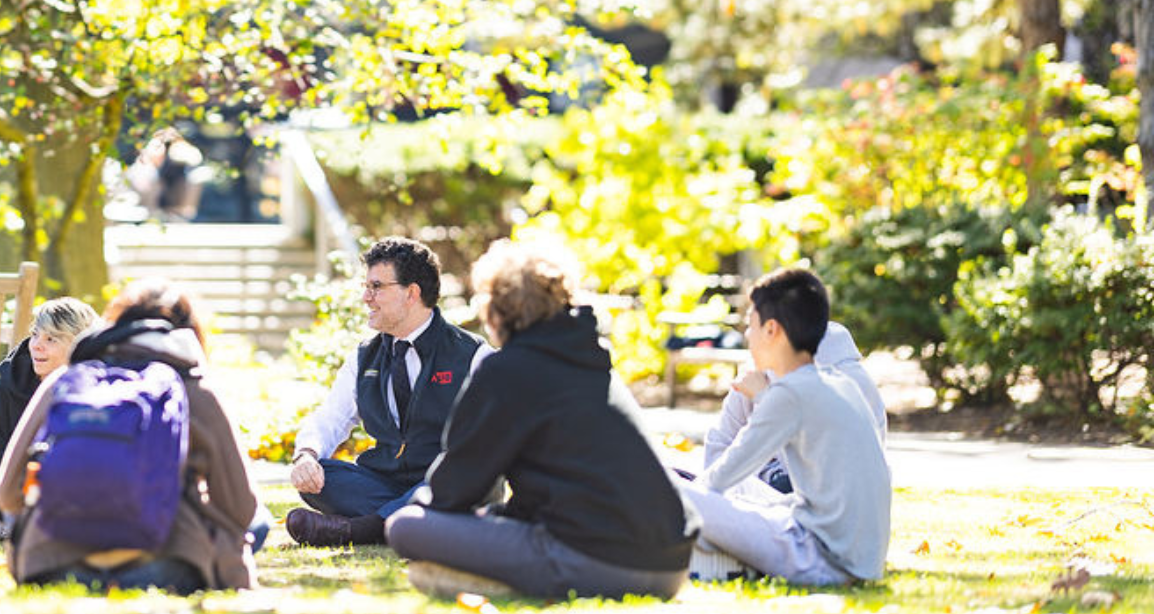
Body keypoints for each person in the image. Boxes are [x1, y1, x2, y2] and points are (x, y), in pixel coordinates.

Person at [386, 240, 697, 601]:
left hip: (595, 560)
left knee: (406, 526)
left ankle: (498, 584)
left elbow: (452, 491)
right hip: (670, 566)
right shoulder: (593, 362)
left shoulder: (505, 369)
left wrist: (430, 504)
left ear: (496, 310)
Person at [0, 280, 259, 593]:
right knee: (262, 524)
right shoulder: (193, 389)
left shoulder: (68, 379)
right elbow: (242, 509)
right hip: (165, 566)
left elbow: (6, 492)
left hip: (52, 566)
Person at [675, 268, 891, 585]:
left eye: (750, 325)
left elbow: (717, 480)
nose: (747, 336)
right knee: (695, 487)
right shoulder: (838, 383)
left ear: (771, 330)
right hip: (860, 559)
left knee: (676, 493)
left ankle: (714, 562)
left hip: (818, 558)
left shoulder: (788, 394)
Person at [286, 237, 492, 547]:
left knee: (465, 475)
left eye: (376, 287)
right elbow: (331, 416)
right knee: (318, 479)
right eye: (366, 286)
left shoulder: (474, 354)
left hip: (444, 481)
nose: (366, 298)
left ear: (411, 293)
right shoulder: (363, 357)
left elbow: (485, 446)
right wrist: (306, 455)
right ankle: (409, 519)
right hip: (384, 483)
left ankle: (360, 530)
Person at [0, 297, 98, 540]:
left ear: (78, 345)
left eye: (51, 339)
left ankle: (13, 526)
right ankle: (31, 526)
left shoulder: (98, 384)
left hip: (74, 490)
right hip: (23, 489)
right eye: (35, 335)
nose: (36, 346)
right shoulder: (11, 382)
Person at [703, 321, 885, 494]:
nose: (748, 333)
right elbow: (719, 444)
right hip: (764, 499)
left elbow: (823, 471)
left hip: (824, 510)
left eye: (755, 321)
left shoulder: (848, 382)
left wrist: (767, 400)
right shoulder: (755, 373)